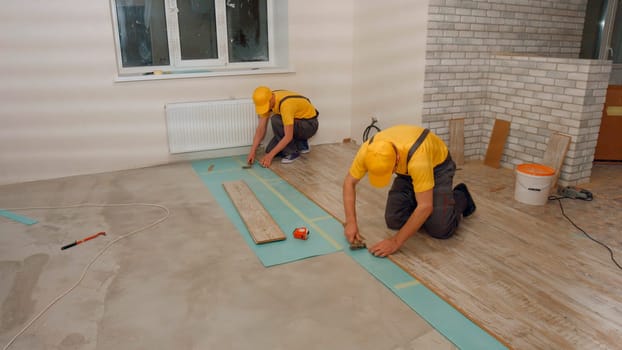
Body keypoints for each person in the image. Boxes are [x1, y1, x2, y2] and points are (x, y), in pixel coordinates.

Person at [342, 124, 476, 257]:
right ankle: (420, 193)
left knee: (440, 229)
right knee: (394, 220)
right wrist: (351, 222)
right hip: (407, 173)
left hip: (437, 169)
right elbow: (349, 183)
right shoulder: (368, 150)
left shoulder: (419, 158)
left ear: (397, 160)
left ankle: (461, 195)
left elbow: (425, 206)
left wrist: (395, 242)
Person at [247, 86, 319, 167]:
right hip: (297, 123)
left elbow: (288, 136)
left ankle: (292, 152)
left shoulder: (286, 105)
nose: (265, 108)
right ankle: (301, 144)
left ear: (271, 99)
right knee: (269, 150)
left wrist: (270, 157)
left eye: (266, 106)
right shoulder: (268, 98)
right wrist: (252, 151)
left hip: (309, 125)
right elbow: (260, 129)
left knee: (276, 120)